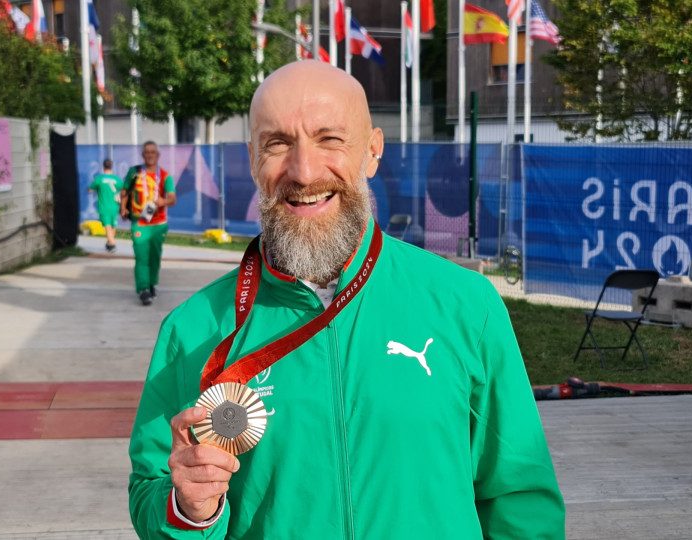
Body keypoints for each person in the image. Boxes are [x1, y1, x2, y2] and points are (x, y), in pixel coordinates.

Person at [128, 61, 565, 538]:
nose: (304, 171)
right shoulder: (191, 332)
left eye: (329, 139)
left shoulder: (465, 304)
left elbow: (518, 494)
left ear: (372, 150)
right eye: (278, 144)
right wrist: (190, 508)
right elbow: (151, 491)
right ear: (253, 158)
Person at [121, 141, 176, 305]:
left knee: (154, 256)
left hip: (159, 224)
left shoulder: (165, 176)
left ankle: (152, 284)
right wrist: (123, 208)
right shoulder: (135, 172)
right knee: (141, 256)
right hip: (140, 222)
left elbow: (172, 198)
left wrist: (162, 201)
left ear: (157, 155)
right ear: (143, 155)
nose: (150, 155)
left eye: (153, 152)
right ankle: (143, 288)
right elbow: (125, 190)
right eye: (147, 152)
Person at [87, 158, 122, 253]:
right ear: (112, 167)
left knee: (107, 225)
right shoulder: (117, 180)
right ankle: (109, 243)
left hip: (104, 206)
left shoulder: (99, 179)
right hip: (115, 206)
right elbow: (124, 190)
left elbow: (90, 190)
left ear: (103, 167)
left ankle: (112, 243)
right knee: (113, 225)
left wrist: (91, 190)